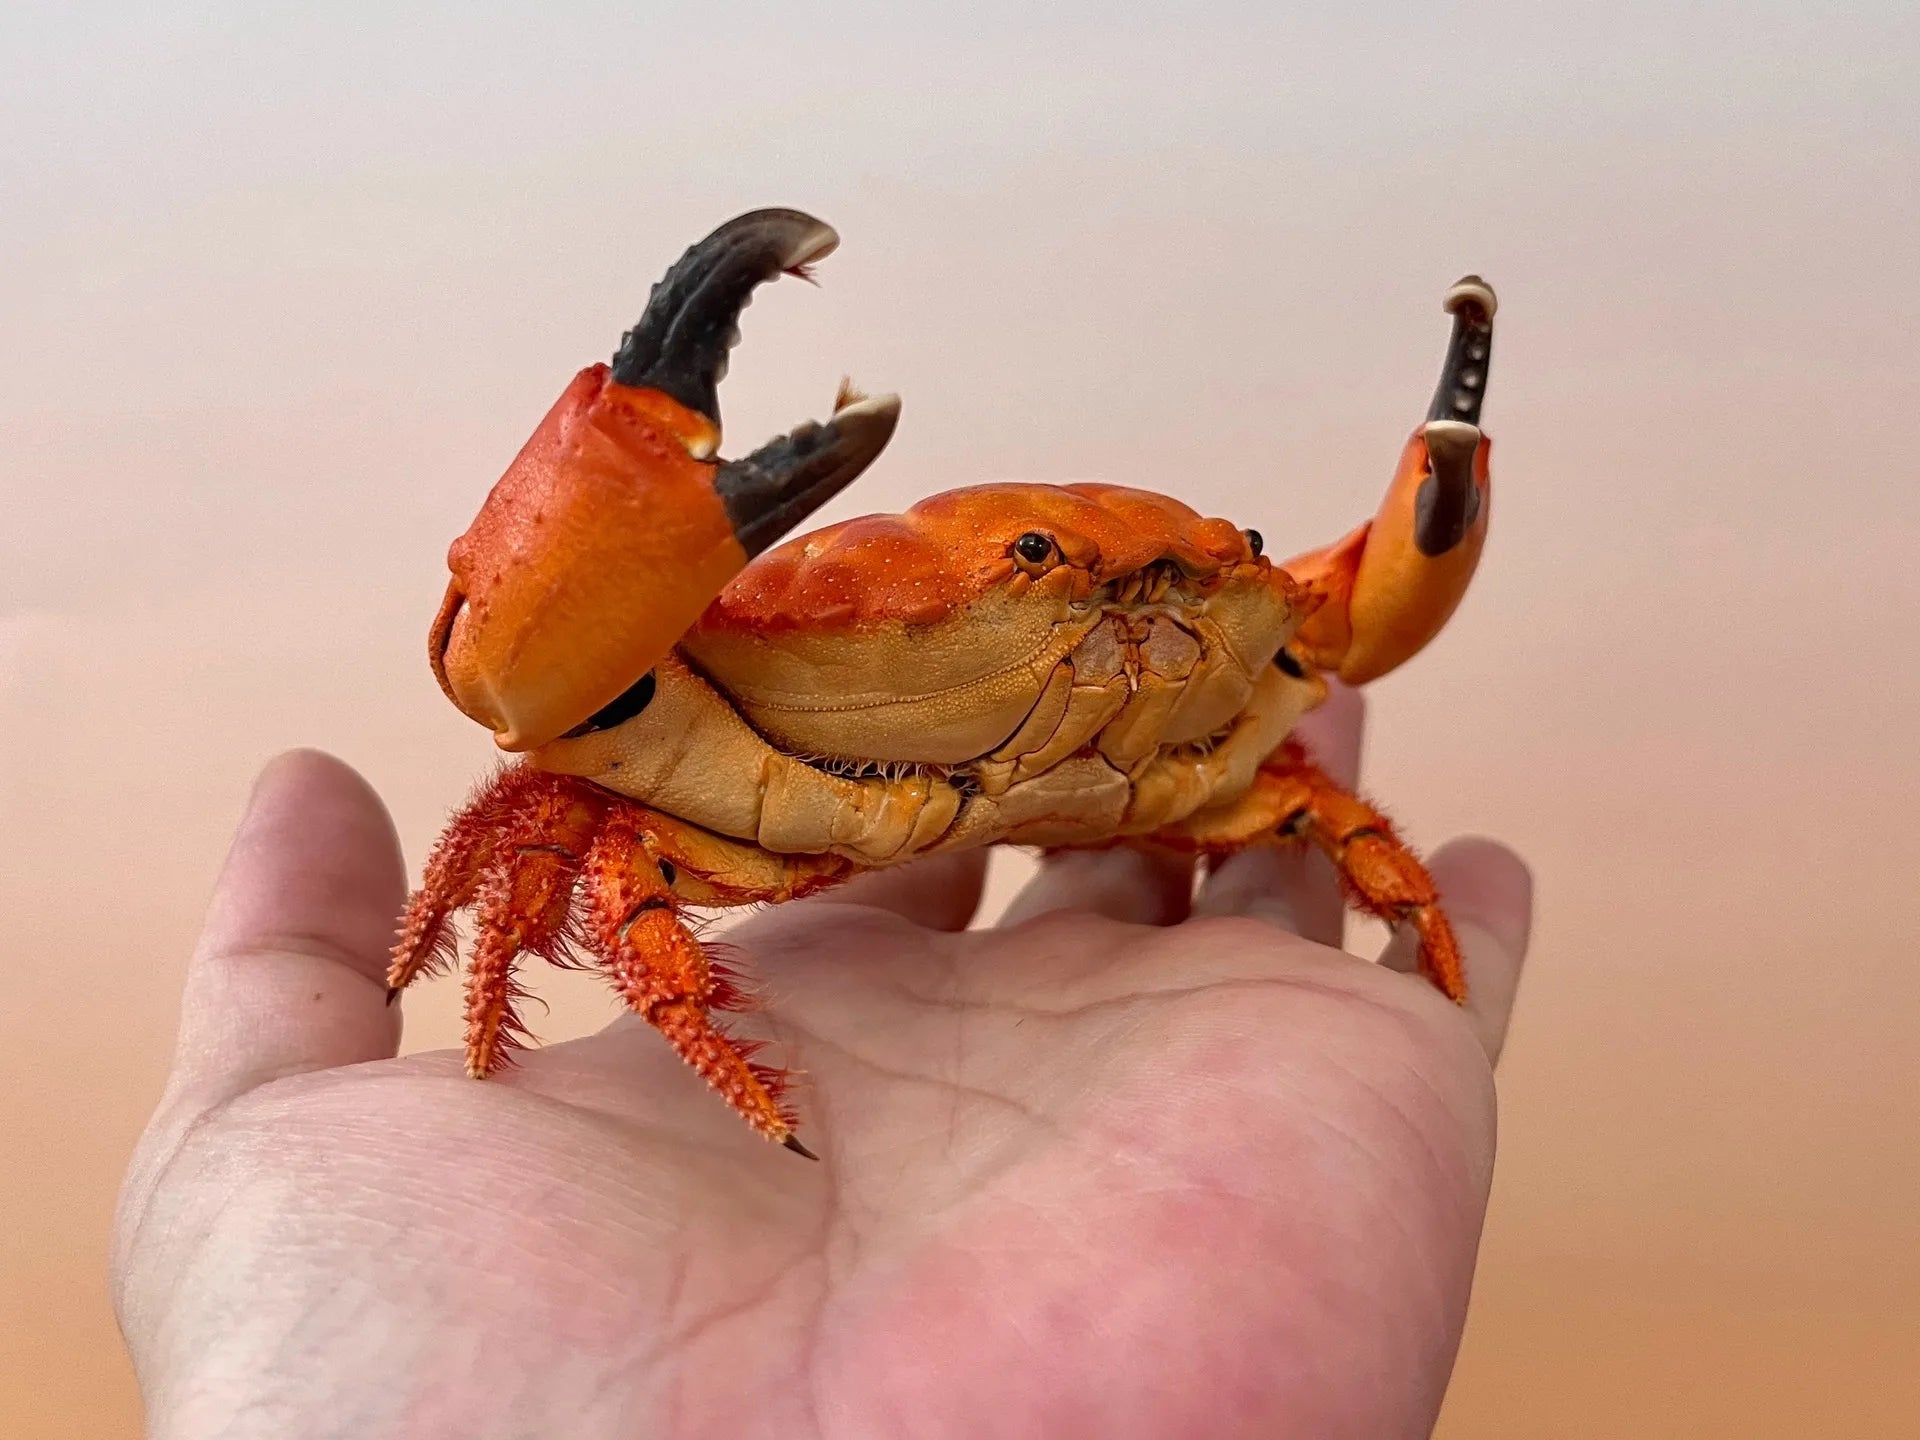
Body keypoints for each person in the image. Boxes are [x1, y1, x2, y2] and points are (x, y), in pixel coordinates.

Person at [111, 685, 1531, 1438]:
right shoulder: (701, 755)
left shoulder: (1215, 725)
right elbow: (563, 782)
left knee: (1308, 794)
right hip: (785, 790)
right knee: (568, 810)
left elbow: (1319, 690)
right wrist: (478, 1001)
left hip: (1130, 781)